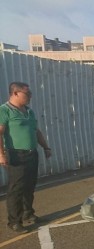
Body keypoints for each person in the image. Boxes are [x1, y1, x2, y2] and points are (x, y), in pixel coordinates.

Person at [0, 82, 52, 233]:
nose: (30, 97)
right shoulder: (5, 110)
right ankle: (14, 221)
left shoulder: (29, 111)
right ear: (15, 93)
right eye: (27, 94)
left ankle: (28, 213)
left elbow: (36, 131)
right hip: (16, 154)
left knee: (30, 186)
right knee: (16, 189)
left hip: (31, 153)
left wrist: (46, 147)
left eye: (30, 94)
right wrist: (1, 154)